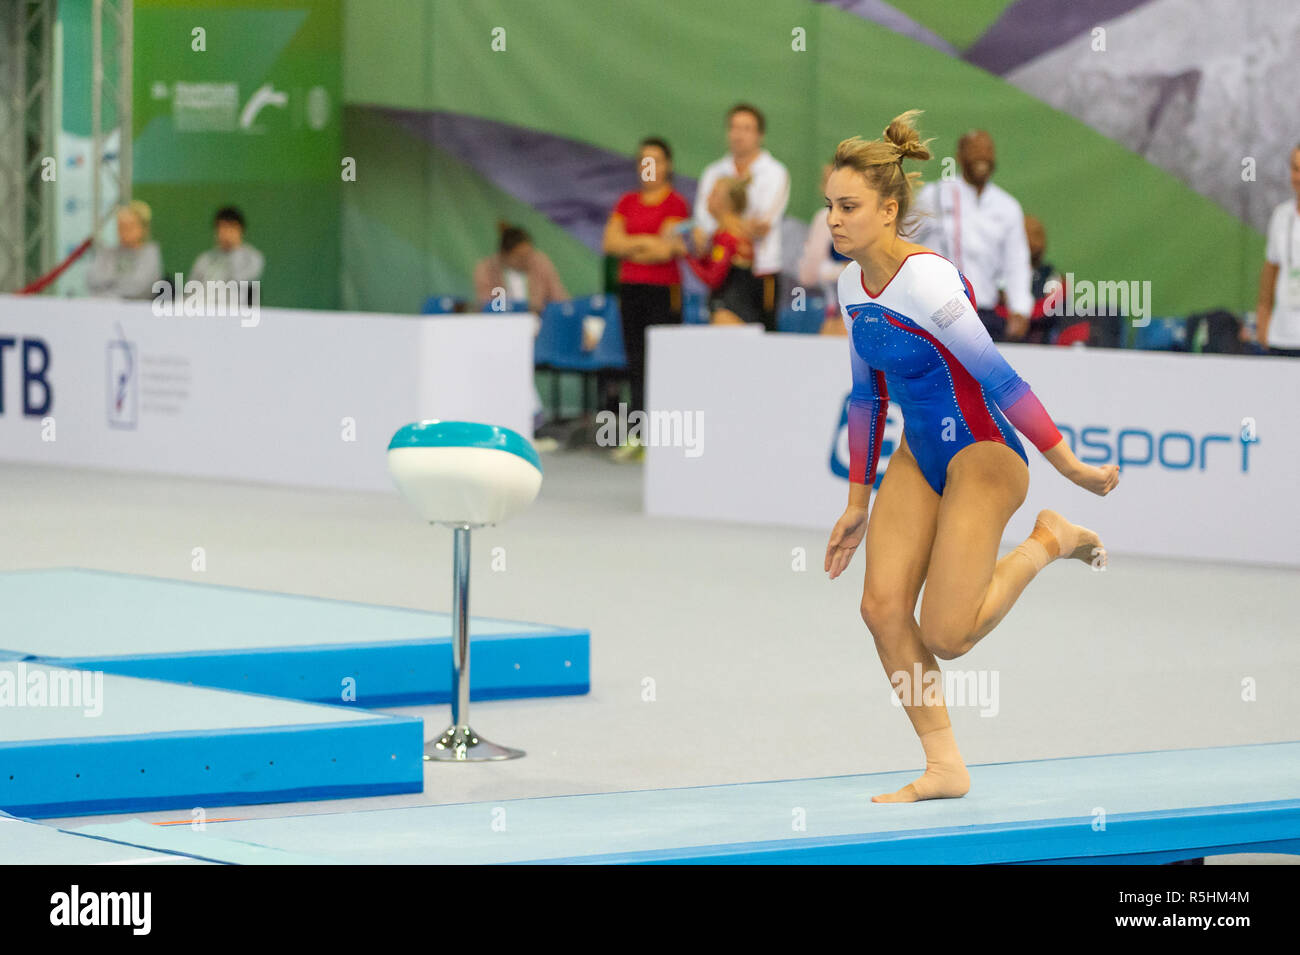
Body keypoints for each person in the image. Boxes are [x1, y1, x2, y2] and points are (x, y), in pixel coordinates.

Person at [821, 110, 1120, 803]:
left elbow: (999, 378)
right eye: (830, 206)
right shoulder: (847, 288)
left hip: (985, 454)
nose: (833, 220)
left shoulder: (930, 284)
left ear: (888, 210)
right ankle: (945, 765)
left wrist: (1071, 466)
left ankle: (1049, 538)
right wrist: (855, 502)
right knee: (882, 608)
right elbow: (867, 398)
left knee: (948, 634)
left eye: (849, 206)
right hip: (919, 451)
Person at [601, 137, 690, 460]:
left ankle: (665, 438)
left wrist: (634, 243)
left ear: (667, 166)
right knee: (636, 362)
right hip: (631, 290)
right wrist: (646, 243)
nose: (648, 167)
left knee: (662, 362)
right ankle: (639, 434)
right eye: (643, 160)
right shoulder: (626, 202)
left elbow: (666, 249)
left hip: (664, 291)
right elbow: (611, 243)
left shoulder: (676, 204)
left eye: (655, 160)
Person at [912, 130, 1032, 342]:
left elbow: (1017, 262)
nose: (982, 157)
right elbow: (903, 241)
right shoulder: (936, 195)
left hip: (984, 314)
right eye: (974, 150)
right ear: (959, 156)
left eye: (988, 151)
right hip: (939, 311)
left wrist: (1020, 308)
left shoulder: (1007, 206)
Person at [694, 104, 790, 331]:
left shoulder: (775, 173)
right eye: (734, 128)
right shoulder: (713, 172)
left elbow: (762, 225)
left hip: (760, 272)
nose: (739, 134)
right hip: (722, 269)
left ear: (760, 135)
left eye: (747, 128)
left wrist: (722, 225)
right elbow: (702, 224)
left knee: (761, 342)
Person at [668, 176, 760, 325]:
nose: (708, 197)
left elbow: (713, 278)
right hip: (735, 310)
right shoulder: (728, 233)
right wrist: (701, 255)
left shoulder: (728, 237)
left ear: (727, 203)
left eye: (714, 193)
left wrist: (686, 254)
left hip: (729, 313)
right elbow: (718, 268)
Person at [1252, 143, 1300, 356]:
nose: (1298, 177)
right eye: (1295, 169)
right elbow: (1271, 269)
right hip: (1281, 336)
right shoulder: (1281, 215)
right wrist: (1263, 319)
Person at [798, 164, 853, 335]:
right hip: (833, 311)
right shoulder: (823, 219)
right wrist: (839, 270)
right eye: (827, 183)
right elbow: (808, 276)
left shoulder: (868, 219)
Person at [472, 223, 568, 313]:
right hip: (503, 321)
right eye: (521, 257)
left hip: (540, 320)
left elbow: (559, 297)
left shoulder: (540, 262)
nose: (527, 259)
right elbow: (487, 304)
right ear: (504, 255)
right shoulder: (486, 269)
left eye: (529, 254)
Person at [86, 200, 163, 300]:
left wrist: (111, 286)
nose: (123, 231)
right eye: (120, 226)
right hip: (106, 307)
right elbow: (94, 280)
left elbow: (139, 287)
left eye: (129, 226)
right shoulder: (108, 253)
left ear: (143, 228)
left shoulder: (150, 253)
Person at [190, 206, 265, 287]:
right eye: (222, 227)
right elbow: (191, 288)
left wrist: (233, 250)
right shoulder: (205, 259)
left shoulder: (252, 257)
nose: (226, 233)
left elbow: (238, 282)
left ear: (240, 230)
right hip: (203, 298)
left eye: (231, 227)